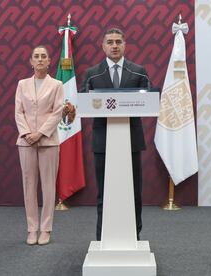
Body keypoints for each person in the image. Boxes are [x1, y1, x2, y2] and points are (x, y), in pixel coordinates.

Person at [79, 28, 150, 241]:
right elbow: (83, 101)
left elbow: (149, 101)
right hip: (103, 142)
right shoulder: (92, 74)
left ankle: (134, 234)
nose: (114, 45)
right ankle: (103, 237)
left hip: (131, 141)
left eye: (118, 41)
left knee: (133, 191)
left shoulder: (139, 71)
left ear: (125, 45)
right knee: (105, 191)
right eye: (110, 42)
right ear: (103, 46)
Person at [14, 45, 64, 245]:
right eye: (37, 56)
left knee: (49, 187)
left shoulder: (57, 84)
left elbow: (57, 111)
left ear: (50, 61)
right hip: (26, 141)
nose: (40, 59)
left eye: (44, 56)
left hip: (48, 141)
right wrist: (27, 133)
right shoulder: (22, 84)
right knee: (29, 186)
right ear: (31, 61)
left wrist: (40, 133)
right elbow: (19, 112)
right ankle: (32, 229)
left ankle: (46, 229)